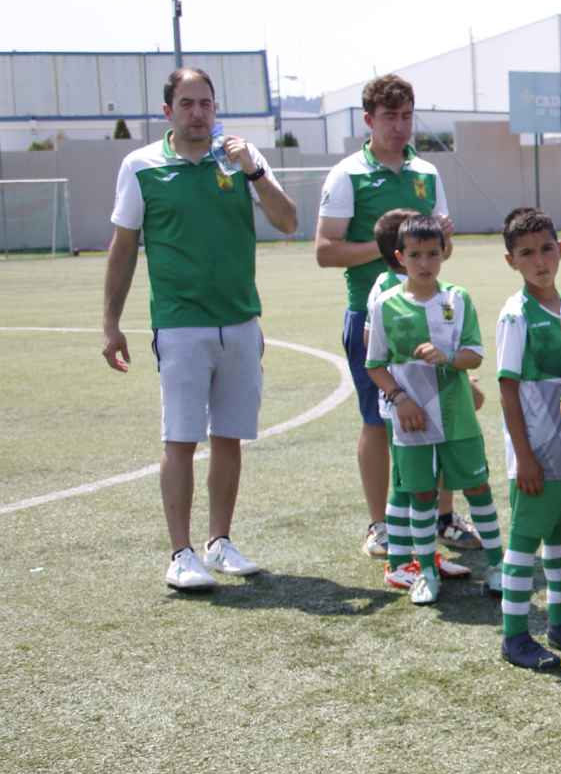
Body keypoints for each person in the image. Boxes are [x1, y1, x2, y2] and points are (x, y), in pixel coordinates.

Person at [101, 66, 299, 590]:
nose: (197, 114)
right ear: (168, 111)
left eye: (205, 104)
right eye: (186, 104)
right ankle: (180, 553)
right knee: (180, 439)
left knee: (230, 435)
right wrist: (111, 323)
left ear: (216, 108)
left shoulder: (242, 159)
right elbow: (123, 249)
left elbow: (288, 221)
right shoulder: (140, 166)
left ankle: (220, 542)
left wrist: (254, 171)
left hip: (239, 321)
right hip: (180, 325)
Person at [315, 74, 467, 559]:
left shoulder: (426, 172)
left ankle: (443, 516)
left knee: (440, 416)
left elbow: (444, 248)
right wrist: (390, 249)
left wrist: (440, 239)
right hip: (373, 315)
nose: (400, 127)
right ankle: (379, 524)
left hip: (430, 315)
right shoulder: (346, 175)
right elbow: (325, 251)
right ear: (368, 120)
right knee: (376, 421)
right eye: (389, 117)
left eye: (406, 116)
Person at [364, 216, 499, 607]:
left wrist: (449, 358)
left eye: (433, 255)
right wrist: (399, 398)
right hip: (412, 420)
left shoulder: (458, 299)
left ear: (443, 255)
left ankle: (497, 566)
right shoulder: (386, 305)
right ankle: (424, 571)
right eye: (416, 255)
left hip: (458, 417)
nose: (425, 263)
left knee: (477, 489)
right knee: (422, 495)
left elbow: (474, 355)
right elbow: (374, 364)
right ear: (400, 257)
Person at [492, 209, 561, 670]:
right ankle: (514, 635)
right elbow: (508, 388)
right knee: (524, 543)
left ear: (560, 248)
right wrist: (524, 456)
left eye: (546, 249)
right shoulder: (515, 315)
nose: (539, 260)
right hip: (537, 451)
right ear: (511, 260)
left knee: (560, 539)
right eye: (527, 253)